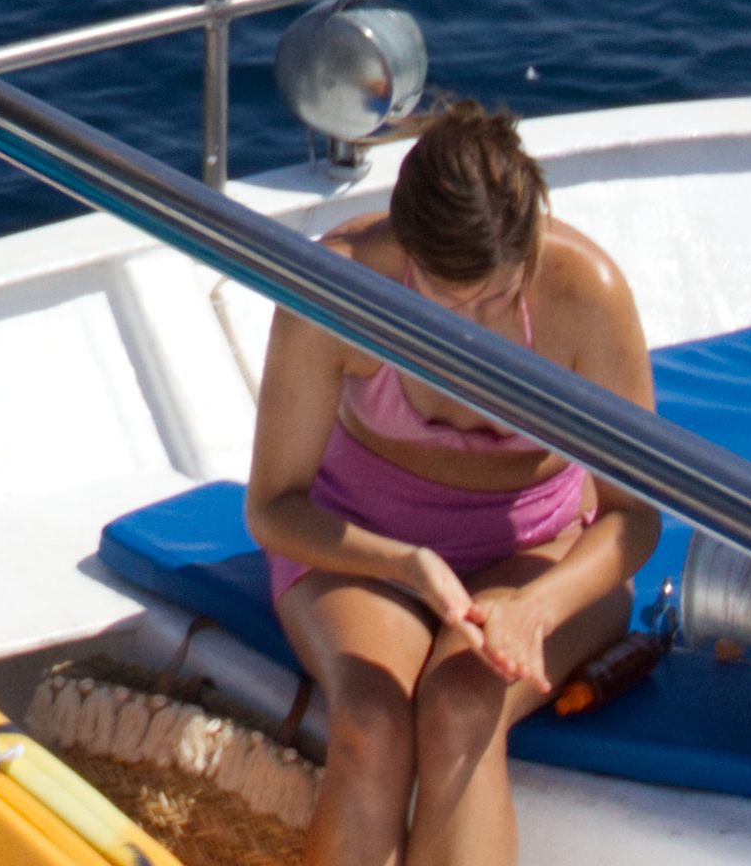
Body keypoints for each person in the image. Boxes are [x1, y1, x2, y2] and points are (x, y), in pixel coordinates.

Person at [247, 102, 660, 866]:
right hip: (365, 548)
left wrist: (537, 608)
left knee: (463, 706)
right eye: (448, 301)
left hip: (535, 552)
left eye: (499, 299)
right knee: (371, 723)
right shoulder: (337, 287)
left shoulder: (587, 293)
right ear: (404, 254)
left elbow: (633, 517)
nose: (474, 327)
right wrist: (405, 565)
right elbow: (272, 508)